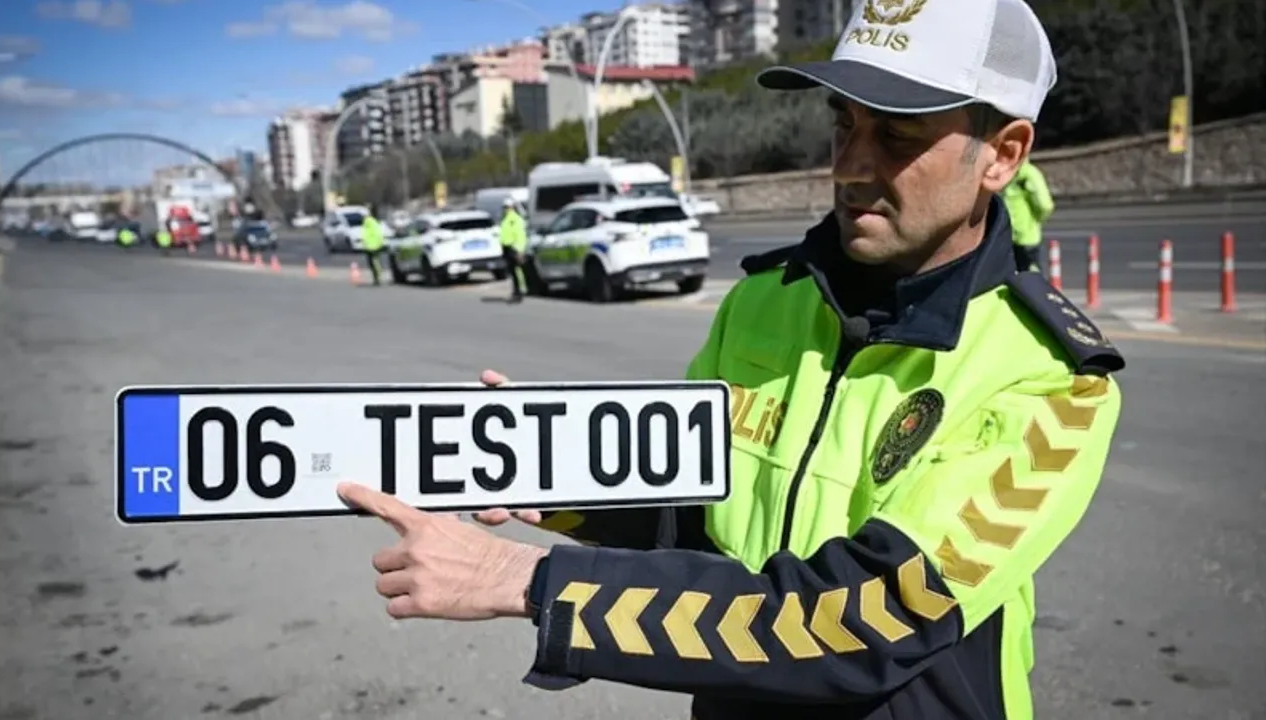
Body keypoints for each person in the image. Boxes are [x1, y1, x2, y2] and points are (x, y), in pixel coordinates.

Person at [336, 0, 1126, 717]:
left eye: (896, 135)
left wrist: (522, 580)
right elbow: (697, 521)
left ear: (1002, 155)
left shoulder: (1053, 383)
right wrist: (552, 475)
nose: (851, 165)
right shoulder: (761, 302)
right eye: (842, 124)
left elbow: (863, 619)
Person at [1002, 159, 1056, 271]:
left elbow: (1045, 206)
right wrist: (1035, 221)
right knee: (1029, 277)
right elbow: (1045, 205)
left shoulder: (1004, 174)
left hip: (1010, 238)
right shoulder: (1027, 173)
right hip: (1023, 237)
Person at [498, 197, 528, 303]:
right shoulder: (505, 219)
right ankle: (516, 291)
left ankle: (520, 291)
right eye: (505, 207)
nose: (506, 209)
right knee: (512, 271)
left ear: (513, 207)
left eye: (508, 207)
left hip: (514, 248)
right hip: (507, 247)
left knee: (517, 271)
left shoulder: (516, 219)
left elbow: (520, 235)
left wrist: (519, 250)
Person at [360, 205, 386, 286]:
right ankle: (377, 276)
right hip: (375, 244)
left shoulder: (368, 222)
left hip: (370, 245)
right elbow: (379, 233)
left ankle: (377, 277)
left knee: (372, 262)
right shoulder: (374, 222)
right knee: (375, 261)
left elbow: (365, 234)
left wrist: (364, 243)